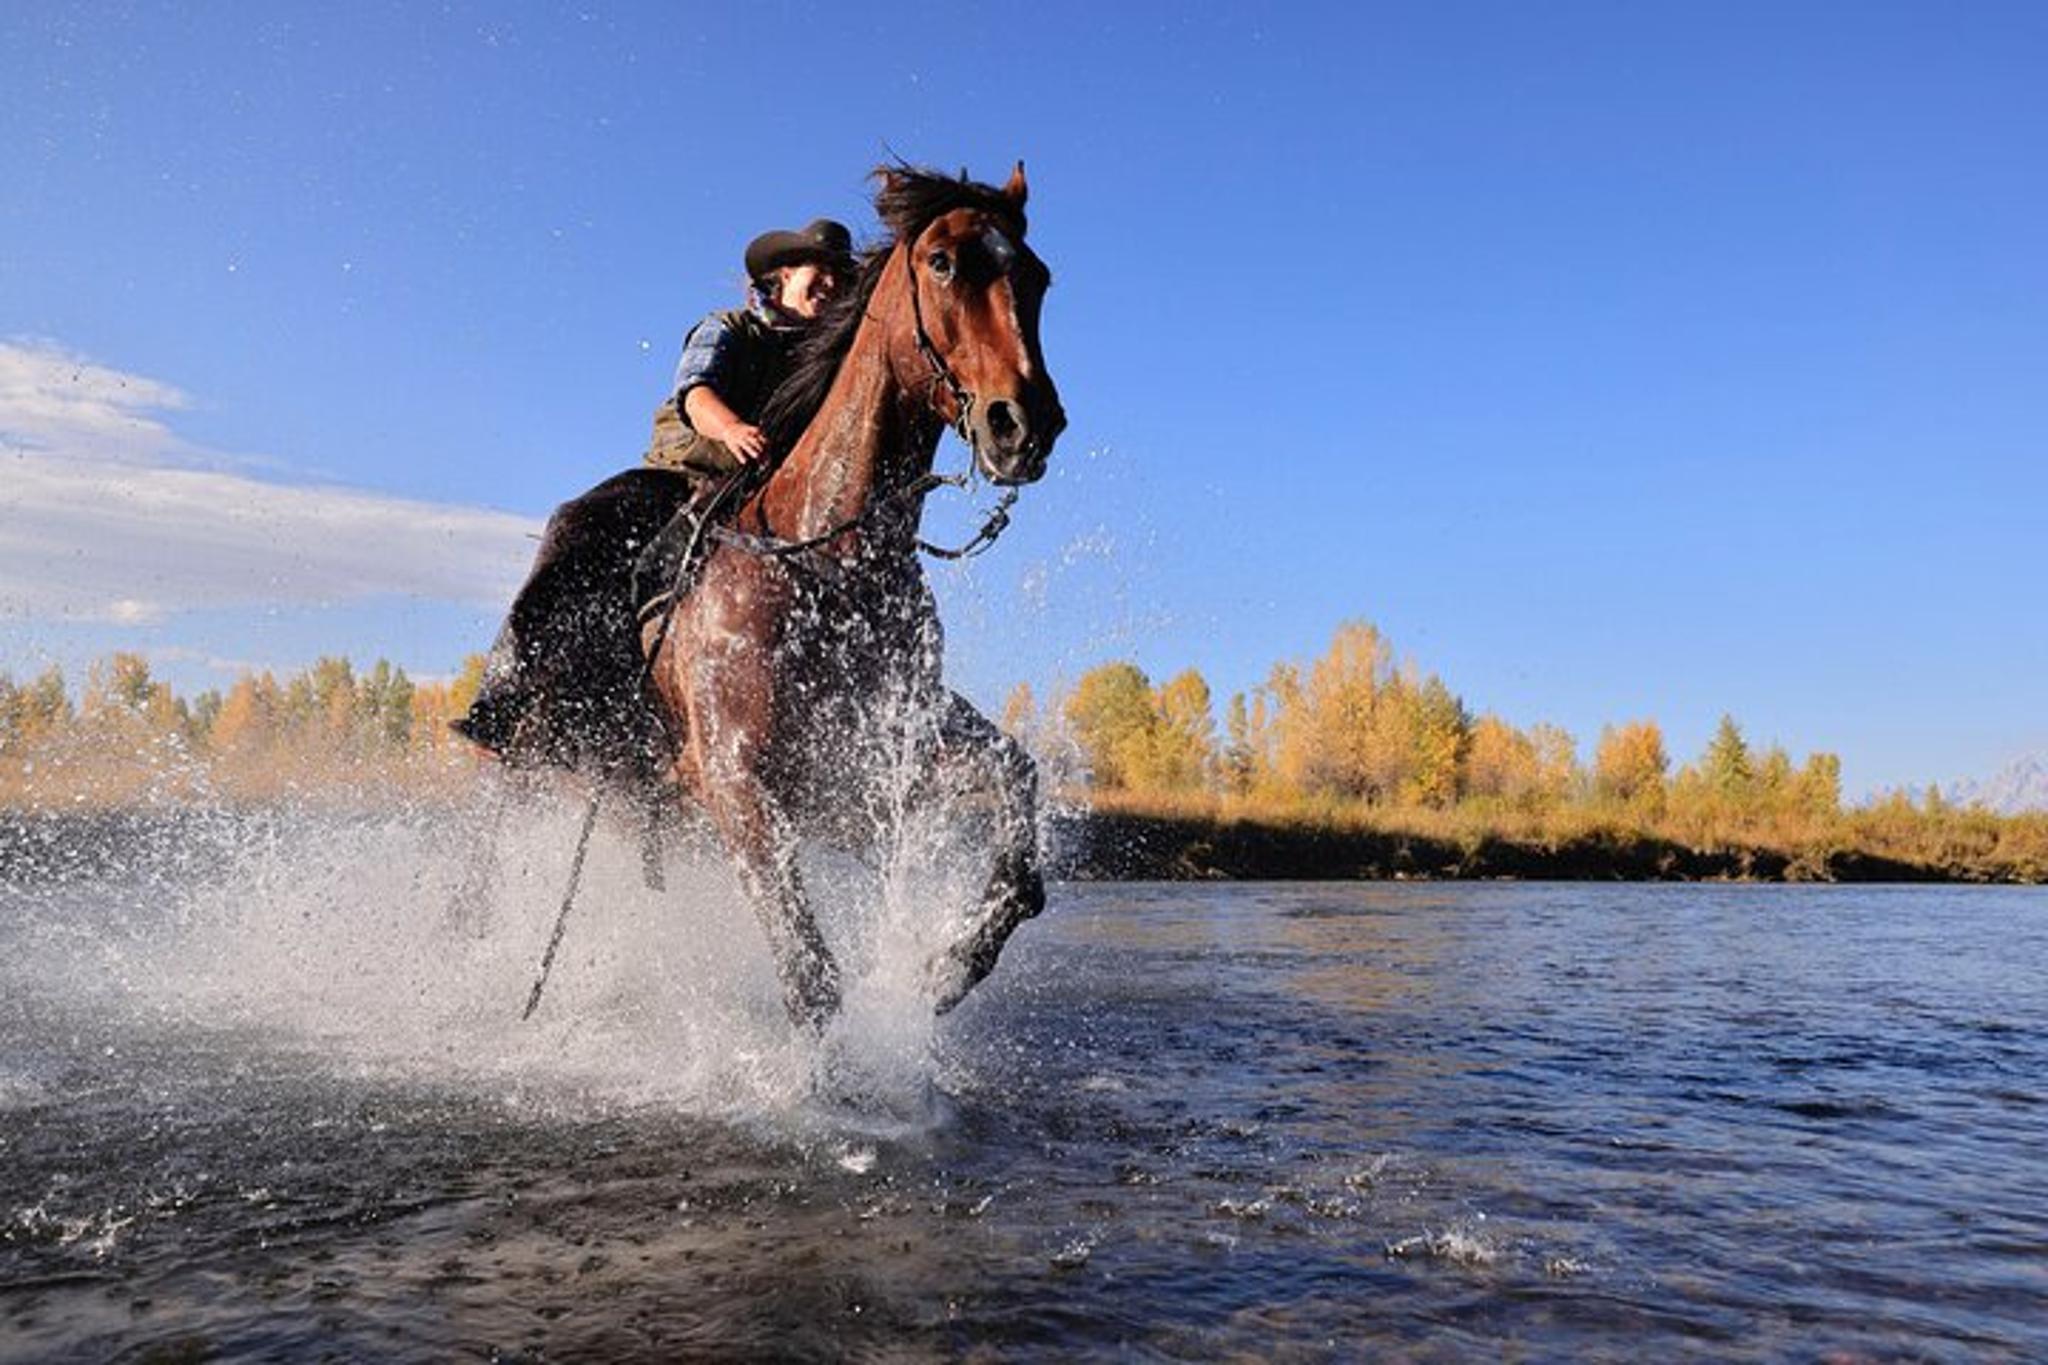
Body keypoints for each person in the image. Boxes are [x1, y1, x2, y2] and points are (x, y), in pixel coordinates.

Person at [452, 218, 854, 778]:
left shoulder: (827, 364)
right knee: (575, 522)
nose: (832, 285)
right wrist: (732, 429)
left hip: (758, 504)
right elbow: (695, 393)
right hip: (680, 479)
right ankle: (508, 695)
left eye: (841, 277)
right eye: (821, 273)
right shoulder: (729, 328)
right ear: (782, 278)